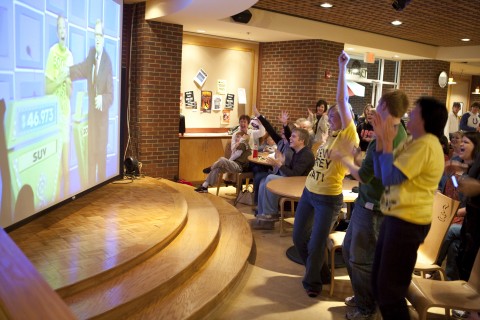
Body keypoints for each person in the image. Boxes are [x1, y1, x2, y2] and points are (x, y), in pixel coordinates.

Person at [332, 91, 409, 320]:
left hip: (373, 208)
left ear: (384, 106)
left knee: (361, 259)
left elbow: (364, 177)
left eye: (378, 104)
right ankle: (362, 296)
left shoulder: (389, 135)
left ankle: (366, 308)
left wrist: (343, 157)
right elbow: (372, 168)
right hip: (367, 202)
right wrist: (356, 153)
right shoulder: (397, 131)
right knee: (349, 251)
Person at [370, 96, 448, 319]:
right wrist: (380, 140)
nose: (409, 114)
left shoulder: (426, 145)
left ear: (424, 119)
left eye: (415, 111)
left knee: (389, 291)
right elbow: (380, 172)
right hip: (396, 218)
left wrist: (385, 142)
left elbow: (390, 177)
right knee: (379, 284)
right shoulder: (413, 141)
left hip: (408, 223)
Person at [292, 51, 360, 298]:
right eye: (329, 115)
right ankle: (320, 272)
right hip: (310, 192)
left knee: (316, 243)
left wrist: (342, 67)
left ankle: (313, 282)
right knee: (299, 237)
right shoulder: (329, 137)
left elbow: (342, 100)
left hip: (329, 199)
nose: (331, 117)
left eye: (336, 114)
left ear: (347, 117)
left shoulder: (349, 134)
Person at [251, 113, 314, 230]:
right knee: (263, 181)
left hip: (299, 184)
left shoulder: (306, 154)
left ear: (302, 140)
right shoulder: (297, 150)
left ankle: (270, 215)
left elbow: (294, 175)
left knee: (269, 179)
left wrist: (279, 164)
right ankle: (263, 215)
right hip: (293, 180)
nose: (290, 138)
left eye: (293, 137)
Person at [69, 19, 113, 186]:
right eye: (95, 34)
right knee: (90, 159)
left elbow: (111, 95)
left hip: (101, 124)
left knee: (100, 159)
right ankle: (88, 190)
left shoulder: (107, 62)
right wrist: (67, 72)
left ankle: (101, 190)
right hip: (91, 121)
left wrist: (102, 99)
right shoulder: (91, 54)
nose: (97, 38)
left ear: (104, 37)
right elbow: (81, 69)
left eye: (99, 35)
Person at [45, 15, 73, 198]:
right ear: (57, 31)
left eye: (65, 28)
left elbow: (69, 92)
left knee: (66, 165)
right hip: (54, 114)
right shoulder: (52, 52)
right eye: (60, 28)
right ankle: (52, 203)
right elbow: (47, 88)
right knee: (54, 165)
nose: (62, 32)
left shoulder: (70, 54)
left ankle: (66, 200)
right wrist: (61, 78)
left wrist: (69, 81)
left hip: (65, 112)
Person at [251, 109, 293, 207]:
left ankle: (267, 209)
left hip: (284, 174)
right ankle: (259, 207)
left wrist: (285, 124)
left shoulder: (291, 146)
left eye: (284, 132)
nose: (282, 132)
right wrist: (259, 116)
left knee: (263, 179)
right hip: (276, 172)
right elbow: (270, 130)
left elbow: (288, 134)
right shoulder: (280, 142)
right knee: (259, 177)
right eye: (282, 131)